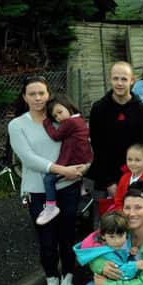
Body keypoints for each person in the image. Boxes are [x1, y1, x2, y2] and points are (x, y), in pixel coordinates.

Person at [8, 76, 84, 285]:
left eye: (42, 93)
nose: (38, 98)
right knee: (47, 239)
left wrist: (81, 168)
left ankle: (68, 278)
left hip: (67, 187)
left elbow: (81, 144)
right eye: (32, 94)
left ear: (48, 94)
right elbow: (28, 159)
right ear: (25, 97)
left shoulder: (60, 119)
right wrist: (63, 169)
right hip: (38, 191)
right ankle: (52, 279)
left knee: (67, 235)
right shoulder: (17, 125)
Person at [86, 61, 143, 224]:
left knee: (132, 224)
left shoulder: (142, 110)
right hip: (104, 176)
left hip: (132, 176)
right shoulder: (99, 108)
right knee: (103, 226)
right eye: (116, 78)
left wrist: (128, 178)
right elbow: (97, 147)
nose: (119, 83)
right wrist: (110, 182)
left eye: (124, 79)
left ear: (132, 80)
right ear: (110, 80)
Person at [38, 94, 92, 225]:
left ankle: (51, 206)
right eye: (55, 116)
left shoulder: (70, 122)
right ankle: (82, 188)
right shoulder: (79, 119)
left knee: (49, 179)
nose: (59, 117)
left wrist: (47, 122)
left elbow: (56, 135)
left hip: (74, 161)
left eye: (60, 112)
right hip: (84, 158)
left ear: (68, 106)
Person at [113, 143, 143, 221]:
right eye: (129, 159)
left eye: (137, 160)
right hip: (125, 219)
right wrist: (123, 215)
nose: (133, 163)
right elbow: (118, 200)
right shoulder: (124, 178)